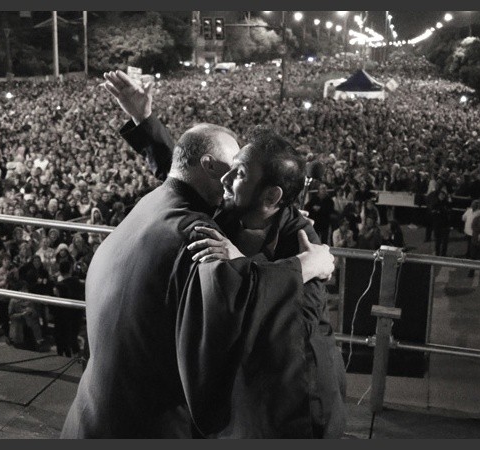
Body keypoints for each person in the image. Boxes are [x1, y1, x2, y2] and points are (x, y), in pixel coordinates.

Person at [61, 74, 335, 438]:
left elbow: (292, 344)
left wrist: (147, 125)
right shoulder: (199, 235)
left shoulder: (163, 206)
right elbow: (234, 302)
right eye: (229, 167)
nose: (227, 181)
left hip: (96, 415)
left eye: (239, 174)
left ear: (271, 198)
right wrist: (304, 266)